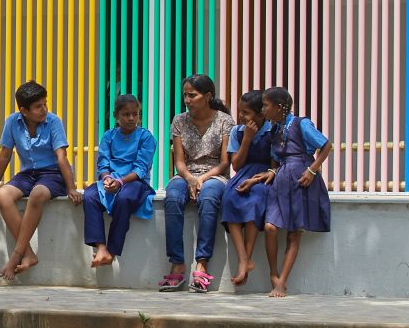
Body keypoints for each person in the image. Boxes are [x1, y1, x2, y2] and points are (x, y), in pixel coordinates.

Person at [0, 79, 75, 281]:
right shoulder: (12, 122)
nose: (44, 109)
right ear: (24, 111)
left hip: (52, 174)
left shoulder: (53, 121)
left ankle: (16, 256)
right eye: (38, 107)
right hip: (28, 174)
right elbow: (5, 156)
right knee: (4, 194)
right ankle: (29, 255)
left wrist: (71, 188)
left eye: (45, 104)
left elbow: (61, 157)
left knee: (38, 194)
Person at [159, 72, 230, 293]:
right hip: (185, 174)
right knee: (172, 198)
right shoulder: (179, 120)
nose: (187, 100)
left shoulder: (224, 121)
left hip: (214, 175)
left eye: (192, 95)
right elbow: (179, 162)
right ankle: (177, 263)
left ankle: (202, 263)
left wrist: (201, 179)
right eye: (185, 95)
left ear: (207, 96)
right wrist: (190, 178)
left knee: (208, 198)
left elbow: (225, 163)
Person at [262, 88, 333, 296]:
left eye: (266, 105)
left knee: (294, 232)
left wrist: (312, 170)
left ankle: (282, 281)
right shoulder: (274, 129)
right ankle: (273, 274)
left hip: (301, 179)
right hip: (281, 179)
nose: (263, 109)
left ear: (279, 107)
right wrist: (271, 171)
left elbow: (326, 145)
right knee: (270, 227)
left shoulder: (301, 124)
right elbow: (275, 157)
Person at [81, 92, 156, 267]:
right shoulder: (108, 136)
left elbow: (141, 168)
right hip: (111, 180)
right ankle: (100, 247)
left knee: (124, 198)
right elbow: (103, 163)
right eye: (126, 114)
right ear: (116, 115)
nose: (131, 118)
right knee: (90, 195)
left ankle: (112, 250)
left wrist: (120, 182)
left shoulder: (146, 137)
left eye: (135, 114)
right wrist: (106, 178)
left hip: (136, 182)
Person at [219, 90, 278, 288]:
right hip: (244, 172)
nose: (241, 116)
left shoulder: (272, 131)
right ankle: (243, 259)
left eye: (246, 112)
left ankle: (247, 258)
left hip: (263, 176)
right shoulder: (237, 132)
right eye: (239, 111)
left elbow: (274, 163)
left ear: (261, 115)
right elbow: (235, 165)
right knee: (230, 197)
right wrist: (247, 139)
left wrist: (259, 179)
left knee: (256, 198)